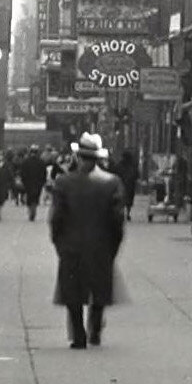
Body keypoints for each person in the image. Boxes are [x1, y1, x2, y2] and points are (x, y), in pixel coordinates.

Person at [47, 135, 126, 350]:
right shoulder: (112, 182)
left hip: (71, 247)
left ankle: (78, 335)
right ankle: (96, 330)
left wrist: (59, 244)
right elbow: (118, 220)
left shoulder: (64, 182)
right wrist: (113, 247)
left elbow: (56, 218)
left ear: (78, 156)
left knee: (72, 292)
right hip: (101, 247)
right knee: (99, 289)